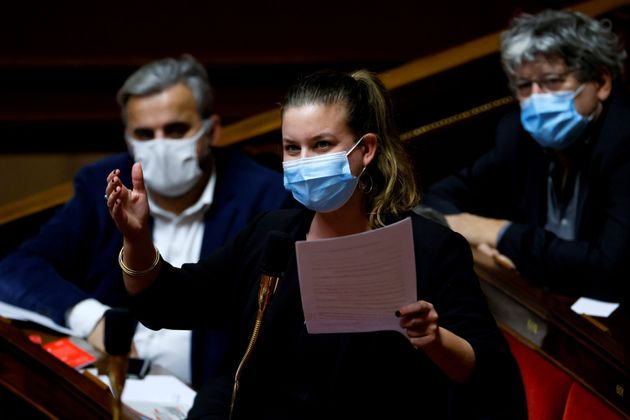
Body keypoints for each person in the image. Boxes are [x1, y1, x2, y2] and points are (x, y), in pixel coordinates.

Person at [106, 69, 526, 419]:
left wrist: (434, 339)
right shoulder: (272, 234)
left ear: (366, 151)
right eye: (293, 147)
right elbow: (167, 303)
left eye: (321, 145)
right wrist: (137, 237)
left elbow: (494, 381)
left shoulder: (428, 248)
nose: (305, 162)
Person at [0, 55, 294, 387]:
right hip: (109, 390)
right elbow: (14, 268)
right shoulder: (104, 185)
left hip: (209, 399)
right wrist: (94, 319)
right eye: (145, 133)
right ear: (128, 138)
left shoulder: (265, 198)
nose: (161, 144)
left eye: (176, 129)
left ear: (212, 131)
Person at [422, 10, 630, 305]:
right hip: (550, 303)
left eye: (552, 81)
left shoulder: (623, 141)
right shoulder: (518, 135)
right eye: (524, 86)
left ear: (601, 82)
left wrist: (499, 233)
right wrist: (476, 242)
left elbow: (609, 270)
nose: (536, 98)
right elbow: (434, 200)